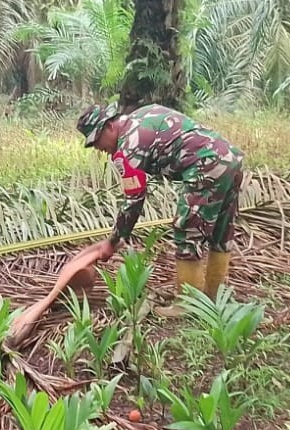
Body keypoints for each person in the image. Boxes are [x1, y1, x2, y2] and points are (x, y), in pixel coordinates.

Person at [74, 102, 245, 305]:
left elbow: (134, 199)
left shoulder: (129, 147)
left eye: (97, 141)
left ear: (110, 126)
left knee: (186, 232)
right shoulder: (142, 114)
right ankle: (213, 299)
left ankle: (189, 306)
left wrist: (114, 240)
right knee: (222, 230)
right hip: (230, 159)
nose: (99, 149)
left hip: (206, 166)